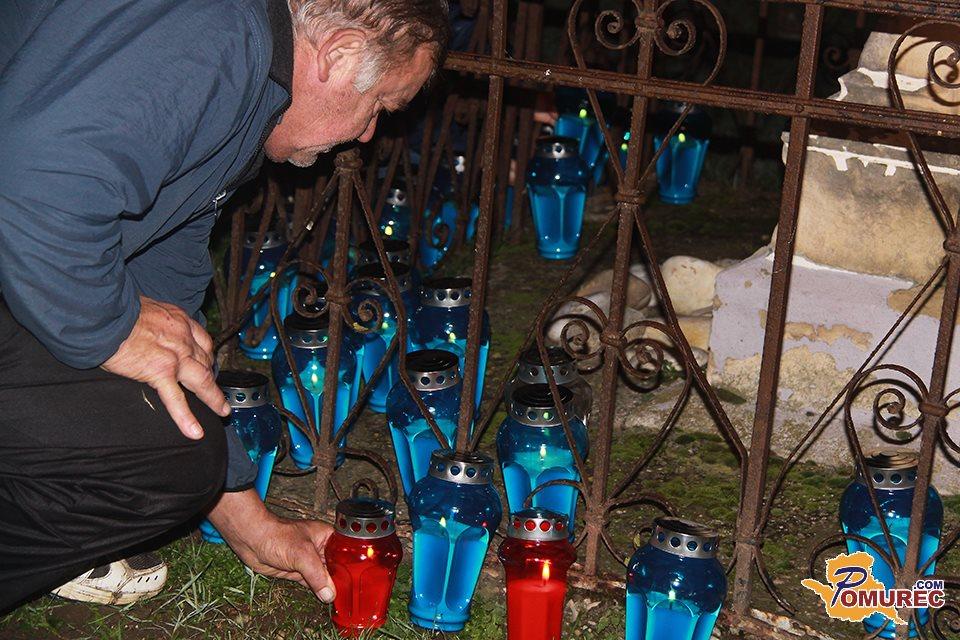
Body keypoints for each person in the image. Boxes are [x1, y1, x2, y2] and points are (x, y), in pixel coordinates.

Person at [0, 0, 449, 612]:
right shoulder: (211, 33)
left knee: (179, 451)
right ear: (338, 53)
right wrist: (112, 330)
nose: (369, 134)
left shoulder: (244, 82)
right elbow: (33, 181)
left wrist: (245, 516)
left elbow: (163, 277)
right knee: (164, 462)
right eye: (379, 107)